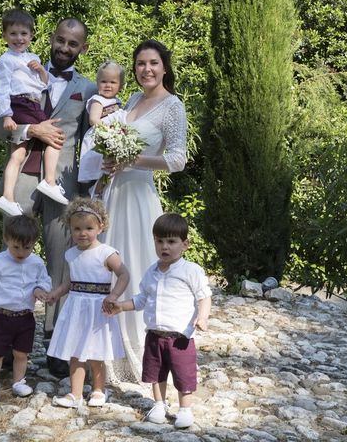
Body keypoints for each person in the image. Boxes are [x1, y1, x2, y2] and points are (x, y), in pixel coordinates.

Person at [0, 17, 97, 378]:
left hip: (62, 182)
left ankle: (56, 346)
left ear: (82, 48)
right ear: (51, 39)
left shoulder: (88, 87)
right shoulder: (18, 64)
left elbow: (95, 138)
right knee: (15, 255)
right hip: (22, 177)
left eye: (73, 44)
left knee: (60, 263)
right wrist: (30, 128)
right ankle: (4, 345)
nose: (65, 48)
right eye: (60, 40)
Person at [100, 40, 188, 383]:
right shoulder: (133, 100)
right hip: (114, 192)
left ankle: (137, 356)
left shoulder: (172, 106)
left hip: (139, 195)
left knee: (134, 266)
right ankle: (102, 354)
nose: (146, 69)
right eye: (139, 64)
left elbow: (178, 159)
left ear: (164, 66)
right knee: (107, 264)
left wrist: (133, 160)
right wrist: (110, 159)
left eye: (153, 63)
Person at [109, 213, 211, 429]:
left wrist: (202, 317)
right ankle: (158, 404)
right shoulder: (151, 273)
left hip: (180, 336)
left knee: (183, 374)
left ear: (185, 244)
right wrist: (121, 306)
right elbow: (141, 299)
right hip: (155, 335)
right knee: (156, 372)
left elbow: (204, 295)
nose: (165, 246)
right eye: (160, 241)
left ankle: (185, 409)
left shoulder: (190, 271)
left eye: (171, 242)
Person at [45, 198, 130, 408]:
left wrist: (114, 296)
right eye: (77, 229)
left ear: (101, 227)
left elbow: (124, 275)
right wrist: (56, 293)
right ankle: (75, 394)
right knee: (75, 351)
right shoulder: (71, 254)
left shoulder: (106, 253)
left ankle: (99, 390)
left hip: (97, 308)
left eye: (89, 228)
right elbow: (70, 281)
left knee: (96, 352)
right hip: (76, 307)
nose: (83, 233)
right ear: (70, 229)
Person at [0, 9, 68, 217]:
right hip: (21, 104)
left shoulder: (33, 57)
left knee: (17, 154)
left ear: (32, 35)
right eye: (13, 34)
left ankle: (7, 197)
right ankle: (50, 181)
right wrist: (7, 114)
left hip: (31, 101)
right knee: (55, 137)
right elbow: (2, 88)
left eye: (24, 34)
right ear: (4, 35)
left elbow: (42, 86)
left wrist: (42, 71)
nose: (19, 38)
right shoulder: (5, 60)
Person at [0, 215, 52, 404]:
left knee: (22, 353)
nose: (21, 252)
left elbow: (44, 280)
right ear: (6, 239)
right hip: (1, 316)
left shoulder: (36, 262)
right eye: (16, 247)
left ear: (34, 243)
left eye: (27, 248)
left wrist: (40, 290)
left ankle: (18, 381)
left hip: (25, 317)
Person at [77, 61, 126, 190]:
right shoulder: (98, 100)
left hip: (111, 139)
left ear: (121, 85)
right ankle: (95, 190)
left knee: (110, 170)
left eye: (113, 82)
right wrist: (110, 131)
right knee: (100, 169)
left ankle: (101, 190)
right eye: (104, 81)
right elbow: (93, 119)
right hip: (98, 138)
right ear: (97, 83)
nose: (108, 85)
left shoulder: (117, 102)